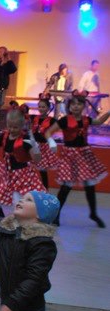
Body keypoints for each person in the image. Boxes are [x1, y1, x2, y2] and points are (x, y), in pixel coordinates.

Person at [44, 90, 110, 227]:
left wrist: (109, 112)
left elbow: (98, 121)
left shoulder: (86, 119)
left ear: (83, 106)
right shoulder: (64, 120)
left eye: (79, 104)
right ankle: (56, 214)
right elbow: (48, 132)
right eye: (73, 104)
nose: (75, 106)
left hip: (85, 155)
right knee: (66, 187)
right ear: (69, 107)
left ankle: (93, 213)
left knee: (90, 185)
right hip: (70, 156)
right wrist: (51, 142)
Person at [0, 107, 45, 213]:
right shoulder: (4, 136)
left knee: (19, 206)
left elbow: (37, 159)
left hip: (22, 178)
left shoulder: (25, 140)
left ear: (21, 126)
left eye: (15, 127)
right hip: (8, 176)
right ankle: (1, 223)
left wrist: (35, 147)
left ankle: (19, 225)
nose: (11, 130)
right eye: (9, 126)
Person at [29, 96, 58, 190]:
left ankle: (45, 190)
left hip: (43, 147)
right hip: (33, 146)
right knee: (29, 169)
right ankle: (29, 188)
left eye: (43, 107)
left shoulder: (52, 120)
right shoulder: (33, 118)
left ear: (48, 108)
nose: (41, 109)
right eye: (40, 107)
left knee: (43, 171)